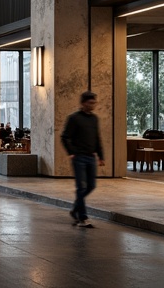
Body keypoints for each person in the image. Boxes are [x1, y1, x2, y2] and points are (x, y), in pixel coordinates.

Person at [61, 90, 105, 228]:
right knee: (81, 187)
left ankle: (75, 208)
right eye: (90, 103)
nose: (93, 105)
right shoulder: (74, 118)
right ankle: (83, 218)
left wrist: (101, 156)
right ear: (83, 103)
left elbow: (97, 138)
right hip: (78, 157)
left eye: (94, 103)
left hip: (91, 156)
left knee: (91, 186)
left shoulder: (94, 119)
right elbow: (64, 137)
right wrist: (71, 152)